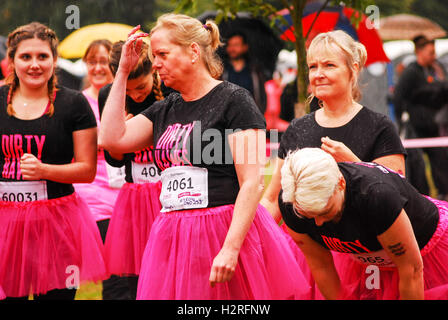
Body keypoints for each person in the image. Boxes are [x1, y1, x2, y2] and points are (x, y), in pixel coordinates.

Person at [99, 14, 311, 300]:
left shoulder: (235, 101)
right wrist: (122, 72)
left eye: (162, 54)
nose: (156, 63)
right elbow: (111, 139)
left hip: (221, 229)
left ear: (193, 52)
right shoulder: (166, 108)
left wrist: (231, 248)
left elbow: (252, 182)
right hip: (173, 232)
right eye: (154, 55)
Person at [260, 30, 406, 299]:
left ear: (353, 70)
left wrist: (352, 163)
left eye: (329, 65)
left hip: (369, 255)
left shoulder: (379, 127)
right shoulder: (298, 129)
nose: (318, 74)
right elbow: (273, 199)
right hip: (315, 256)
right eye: (313, 66)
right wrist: (250, 236)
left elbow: (397, 196)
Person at [0, 22, 106, 300]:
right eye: (25, 57)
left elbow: (86, 171)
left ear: (54, 60)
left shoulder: (73, 104)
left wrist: (44, 170)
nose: (34, 65)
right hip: (6, 223)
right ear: (12, 60)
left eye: (42, 57)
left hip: (56, 221)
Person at [280, 147, 448, 300]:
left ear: (340, 183)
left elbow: (411, 270)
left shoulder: (376, 197)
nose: (318, 223)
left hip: (427, 252)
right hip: (370, 260)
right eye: (309, 215)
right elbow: (321, 266)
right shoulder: (292, 204)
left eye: (325, 211)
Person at [99, 40, 165, 300]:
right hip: (135, 195)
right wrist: (119, 139)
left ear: (154, 74)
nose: (136, 95)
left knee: (166, 268)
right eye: (129, 89)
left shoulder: (170, 91)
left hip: (167, 191)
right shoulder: (109, 94)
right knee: (135, 276)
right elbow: (114, 160)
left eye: (142, 87)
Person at [71, 39, 126, 300]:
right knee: (112, 270)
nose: (97, 68)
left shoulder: (127, 100)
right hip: (90, 195)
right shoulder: (75, 103)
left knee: (125, 273)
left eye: (104, 62)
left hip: (124, 192)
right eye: (92, 62)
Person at [394, 35, 448, 201]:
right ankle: (420, 198)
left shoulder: (435, 70)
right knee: (416, 166)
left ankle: (443, 195)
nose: (433, 56)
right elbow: (398, 97)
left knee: (441, 162)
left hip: (432, 125)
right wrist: (401, 121)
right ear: (420, 52)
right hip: (414, 127)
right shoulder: (411, 72)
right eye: (430, 52)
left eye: (434, 52)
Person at [221, 31, 269, 114]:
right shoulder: (221, 70)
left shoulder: (254, 70)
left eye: (236, 45)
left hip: (251, 116)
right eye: (230, 45)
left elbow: (262, 96)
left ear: (245, 47)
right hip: (227, 118)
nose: (232, 49)